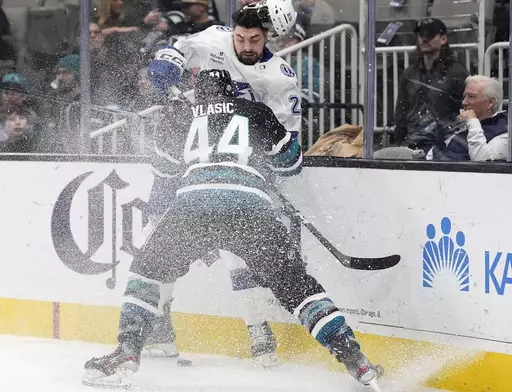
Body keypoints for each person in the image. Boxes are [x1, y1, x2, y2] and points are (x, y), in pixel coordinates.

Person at [82, 69, 383, 390]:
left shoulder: (178, 116)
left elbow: (163, 171)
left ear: (198, 94)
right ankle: (356, 361)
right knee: (297, 287)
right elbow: (292, 163)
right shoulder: (255, 111)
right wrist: (261, 166)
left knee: (147, 274)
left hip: (193, 209)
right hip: (251, 209)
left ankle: (127, 353)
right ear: (233, 92)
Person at [141, 0, 303, 364]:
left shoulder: (280, 78)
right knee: (159, 237)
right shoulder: (214, 37)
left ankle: (258, 327)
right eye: (242, 39)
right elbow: (180, 47)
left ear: (267, 40)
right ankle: (160, 327)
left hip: (238, 165)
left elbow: (286, 141)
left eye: (255, 41)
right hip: (190, 154)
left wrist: (262, 165)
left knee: (237, 244)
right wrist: (168, 59)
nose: (246, 47)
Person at [393, 18, 468, 153]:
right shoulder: (410, 73)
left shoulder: (457, 72)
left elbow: (466, 108)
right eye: (421, 35)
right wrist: (399, 142)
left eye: (430, 35)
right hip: (412, 144)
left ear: (444, 39)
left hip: (444, 146)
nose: (424, 39)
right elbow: (401, 111)